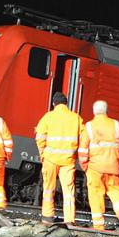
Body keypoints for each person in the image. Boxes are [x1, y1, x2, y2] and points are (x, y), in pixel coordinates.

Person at [78, 100, 119, 231]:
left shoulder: (89, 126)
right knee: (116, 192)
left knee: (96, 195)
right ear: (106, 111)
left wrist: (84, 166)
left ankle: (98, 225)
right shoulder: (116, 125)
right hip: (113, 167)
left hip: (95, 168)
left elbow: (83, 150)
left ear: (94, 111)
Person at [35, 91, 84, 225]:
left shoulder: (48, 117)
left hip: (50, 159)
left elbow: (40, 137)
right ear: (66, 104)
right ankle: (69, 220)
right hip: (68, 161)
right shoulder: (76, 118)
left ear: (53, 103)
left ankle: (47, 217)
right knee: (68, 191)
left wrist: (42, 154)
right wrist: (77, 154)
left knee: (48, 189)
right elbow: (84, 138)